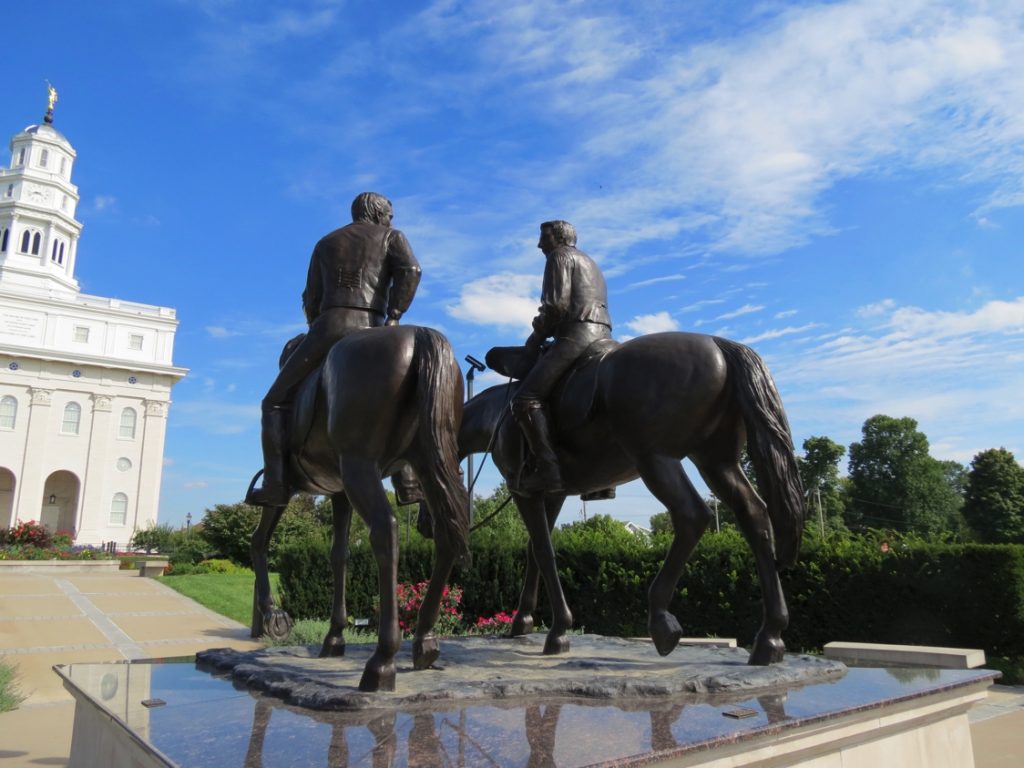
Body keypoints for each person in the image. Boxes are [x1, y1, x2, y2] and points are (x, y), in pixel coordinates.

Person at [246, 192, 422, 506]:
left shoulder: (326, 243)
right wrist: (394, 317)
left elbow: (310, 297)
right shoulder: (392, 237)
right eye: (389, 215)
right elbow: (411, 271)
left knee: (274, 403)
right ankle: (407, 483)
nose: (391, 220)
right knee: (408, 394)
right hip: (375, 328)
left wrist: (316, 326)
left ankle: (275, 484)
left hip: (330, 327)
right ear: (378, 212)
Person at [513, 220, 612, 492]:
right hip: (603, 334)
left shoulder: (560, 256)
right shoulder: (590, 262)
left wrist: (535, 338)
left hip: (576, 336)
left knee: (526, 399)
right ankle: (603, 482)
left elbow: (556, 306)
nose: (539, 244)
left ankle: (549, 470)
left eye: (543, 238)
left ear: (558, 238)